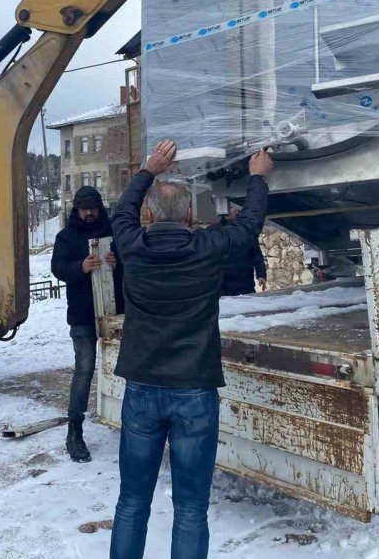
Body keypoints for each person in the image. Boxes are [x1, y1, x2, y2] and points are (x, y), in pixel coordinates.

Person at [109, 141, 272, 559]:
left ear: (148, 216)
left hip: (143, 389)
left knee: (131, 503)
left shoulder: (132, 247)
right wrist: (257, 178)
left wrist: (148, 170)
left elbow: (120, 214)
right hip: (194, 392)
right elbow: (249, 225)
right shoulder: (207, 248)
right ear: (189, 216)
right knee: (191, 509)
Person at [51, 184, 124, 463]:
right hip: (82, 314)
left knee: (124, 368)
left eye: (93, 208)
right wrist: (79, 267)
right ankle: (74, 430)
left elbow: (130, 266)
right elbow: (57, 268)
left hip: (115, 312)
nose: (89, 213)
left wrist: (118, 265)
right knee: (83, 369)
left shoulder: (114, 232)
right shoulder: (66, 237)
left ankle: (127, 421)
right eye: (85, 209)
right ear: (77, 210)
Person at [207, 205, 267, 296]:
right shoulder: (213, 231)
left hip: (245, 286)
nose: (228, 210)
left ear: (237, 210)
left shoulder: (246, 230)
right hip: (222, 289)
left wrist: (261, 275)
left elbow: (257, 255)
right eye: (226, 207)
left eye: (231, 207)